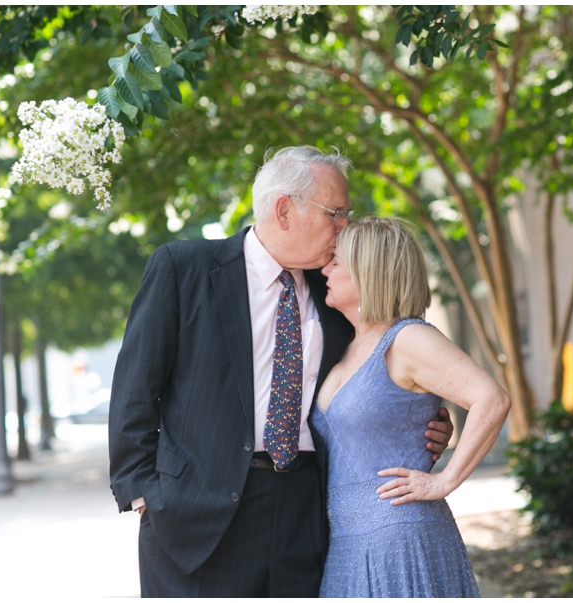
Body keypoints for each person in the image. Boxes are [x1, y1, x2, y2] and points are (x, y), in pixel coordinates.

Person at [107, 146, 453, 597]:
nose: (344, 226)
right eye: (336, 213)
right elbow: (134, 391)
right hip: (195, 515)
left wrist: (422, 418)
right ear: (284, 210)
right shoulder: (183, 269)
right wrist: (145, 498)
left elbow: (377, 377)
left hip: (305, 513)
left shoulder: (337, 297)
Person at [313, 217, 511, 598]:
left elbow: (492, 399)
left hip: (400, 540)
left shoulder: (408, 338)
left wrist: (445, 480)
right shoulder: (348, 344)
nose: (325, 269)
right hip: (345, 546)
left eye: (335, 261)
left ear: (367, 270)